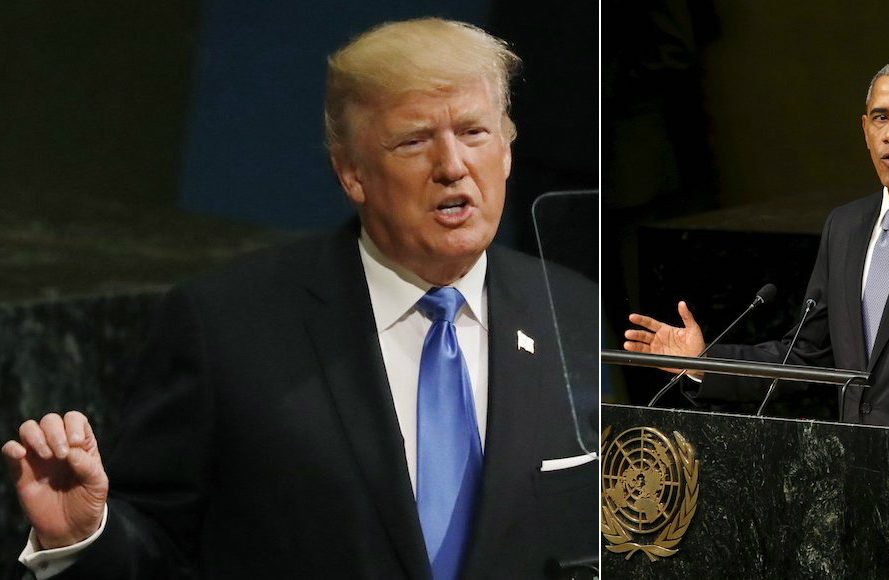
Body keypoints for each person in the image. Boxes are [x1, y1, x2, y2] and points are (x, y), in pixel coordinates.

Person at [3, 19, 596, 579]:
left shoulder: (577, 315)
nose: (452, 166)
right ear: (352, 174)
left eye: (474, 132)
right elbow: (161, 546)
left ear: (509, 150)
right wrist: (81, 538)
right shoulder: (226, 327)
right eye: (414, 141)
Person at [624, 58, 889, 433]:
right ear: (865, 130)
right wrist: (707, 362)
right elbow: (808, 357)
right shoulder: (845, 226)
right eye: (881, 117)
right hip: (853, 479)